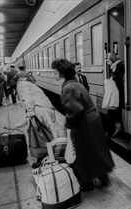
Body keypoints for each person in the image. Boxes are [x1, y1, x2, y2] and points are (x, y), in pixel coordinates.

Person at [52, 59, 114, 191]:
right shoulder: (75, 84)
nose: (54, 75)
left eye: (55, 73)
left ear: (62, 73)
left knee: (81, 152)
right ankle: (102, 177)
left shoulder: (69, 87)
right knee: (94, 149)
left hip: (84, 123)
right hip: (91, 120)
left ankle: (87, 182)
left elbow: (74, 110)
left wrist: (67, 126)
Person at [106, 52, 125, 137]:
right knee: (113, 112)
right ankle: (116, 129)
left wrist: (112, 79)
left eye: (107, 59)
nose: (106, 61)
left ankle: (113, 131)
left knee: (112, 112)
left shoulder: (119, 66)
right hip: (115, 93)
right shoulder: (115, 67)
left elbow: (119, 80)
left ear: (112, 59)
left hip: (118, 94)